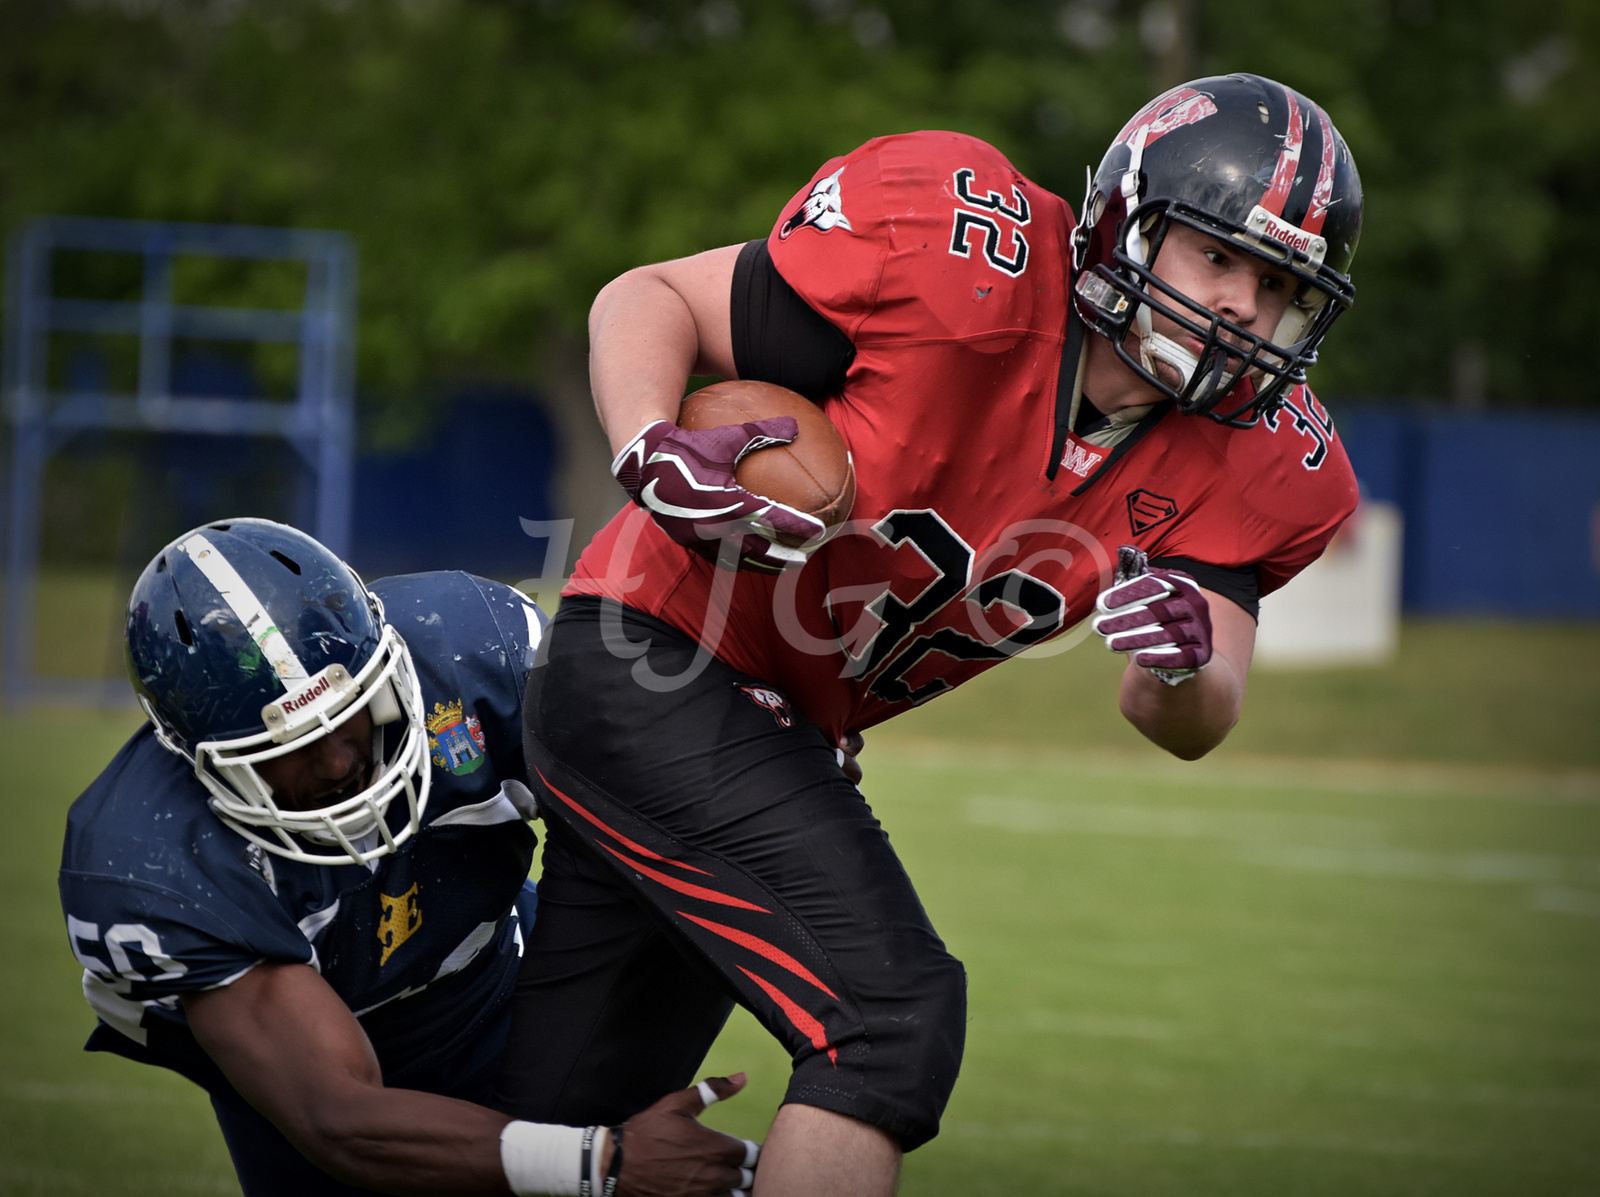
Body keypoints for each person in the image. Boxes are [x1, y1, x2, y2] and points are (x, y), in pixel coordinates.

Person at [496, 74, 1364, 1195]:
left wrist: (1183, 657)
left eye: (1281, 284)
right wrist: (648, 444)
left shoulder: (1249, 455)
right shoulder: (960, 261)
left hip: (766, 728)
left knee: (567, 1133)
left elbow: (1187, 721)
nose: (1246, 308)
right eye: (1219, 257)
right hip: (649, 657)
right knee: (890, 1020)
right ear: (1129, 222)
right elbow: (648, 294)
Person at [59, 518, 759, 1197]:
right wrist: (604, 1163)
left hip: (497, 982)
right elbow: (339, 1116)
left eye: (350, 711)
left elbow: (673, 792)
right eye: (289, 749)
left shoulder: (468, 647)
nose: (340, 759)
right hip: (315, 1078)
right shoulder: (147, 864)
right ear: (195, 758)